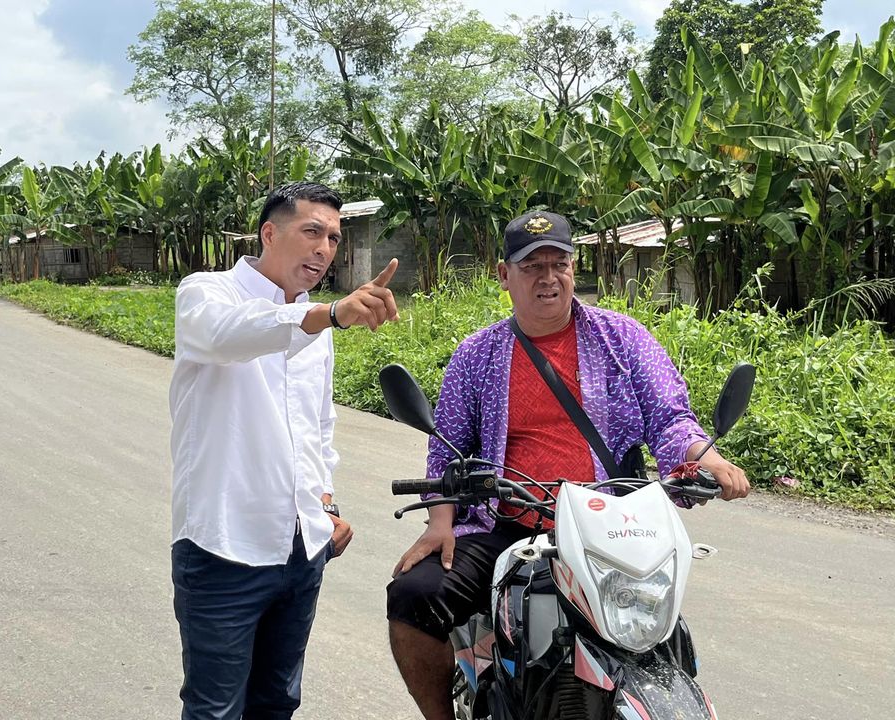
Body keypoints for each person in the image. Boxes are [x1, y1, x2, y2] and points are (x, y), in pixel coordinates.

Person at [386, 210, 750, 720]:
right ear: (504, 275)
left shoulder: (623, 338)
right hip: (507, 525)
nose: (548, 278)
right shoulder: (476, 355)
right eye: (532, 266)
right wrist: (440, 522)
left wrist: (705, 457)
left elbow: (669, 417)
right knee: (413, 596)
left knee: (655, 633)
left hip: (610, 526)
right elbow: (447, 448)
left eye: (559, 264)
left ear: (574, 269)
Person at [169, 181, 399, 720]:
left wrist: (326, 502)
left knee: (277, 703)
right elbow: (230, 334)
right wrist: (327, 315)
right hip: (223, 545)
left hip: (302, 549)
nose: (324, 248)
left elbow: (318, 426)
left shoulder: (318, 322)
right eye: (312, 231)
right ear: (270, 234)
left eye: (334, 238)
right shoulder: (207, 293)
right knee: (214, 709)